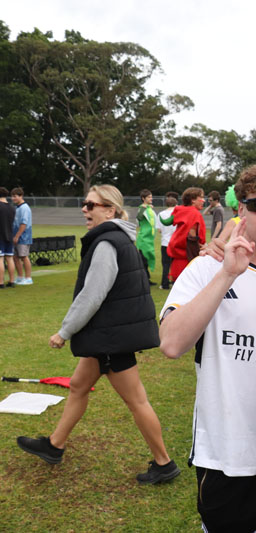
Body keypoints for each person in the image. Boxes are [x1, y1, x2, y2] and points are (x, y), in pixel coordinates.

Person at [159, 160, 256, 533]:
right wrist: (227, 273)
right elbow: (171, 343)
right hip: (226, 453)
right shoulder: (206, 269)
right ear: (241, 209)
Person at [16, 184, 180, 485]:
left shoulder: (107, 243)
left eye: (91, 205)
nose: (84, 209)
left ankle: (164, 463)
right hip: (109, 335)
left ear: (110, 210)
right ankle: (55, 445)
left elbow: (92, 295)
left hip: (111, 340)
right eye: (85, 203)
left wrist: (64, 332)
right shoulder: (118, 238)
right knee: (78, 386)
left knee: (137, 401)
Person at [160, 187, 206, 281]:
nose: (203, 200)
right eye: (201, 197)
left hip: (177, 259)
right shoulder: (194, 214)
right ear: (193, 200)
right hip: (189, 260)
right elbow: (196, 238)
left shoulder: (181, 211)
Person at [155, 191, 179, 290]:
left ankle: (164, 284)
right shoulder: (178, 213)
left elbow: (159, 229)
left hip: (165, 242)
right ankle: (174, 282)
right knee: (175, 264)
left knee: (165, 264)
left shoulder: (161, 214)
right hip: (176, 242)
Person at [11, 187, 33, 285]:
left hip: (23, 237)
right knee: (15, 257)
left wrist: (17, 236)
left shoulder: (25, 208)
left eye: (15, 196)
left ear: (21, 196)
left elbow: (24, 223)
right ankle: (20, 277)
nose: (13, 198)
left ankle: (28, 278)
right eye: (12, 196)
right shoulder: (17, 207)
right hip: (16, 236)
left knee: (24, 256)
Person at [136, 188, 157, 284]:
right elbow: (139, 218)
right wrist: (144, 208)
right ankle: (144, 280)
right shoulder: (142, 208)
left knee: (147, 259)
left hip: (149, 239)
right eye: (149, 197)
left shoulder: (149, 208)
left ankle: (146, 279)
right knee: (143, 260)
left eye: (151, 197)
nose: (151, 198)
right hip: (143, 239)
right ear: (143, 198)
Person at [0, 187, 16, 288]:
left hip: (0, 236)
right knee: (10, 258)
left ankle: (0, 282)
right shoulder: (12, 207)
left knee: (0, 259)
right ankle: (11, 281)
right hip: (9, 235)